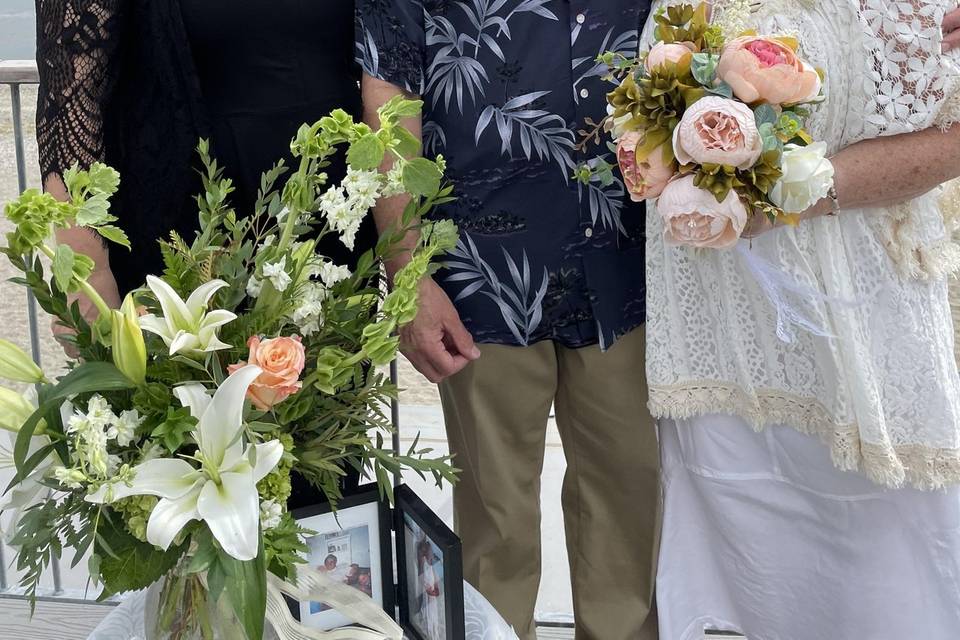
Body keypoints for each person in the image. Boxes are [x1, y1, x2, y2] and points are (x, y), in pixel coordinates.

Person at [641, 0, 960, 638]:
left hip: (865, 328)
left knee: (885, 566)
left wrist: (792, 194)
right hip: (720, 326)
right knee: (744, 555)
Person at [357, 2, 659, 638]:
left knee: (630, 498)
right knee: (494, 526)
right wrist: (409, 275)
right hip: (484, 273)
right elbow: (387, 107)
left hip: (631, 268)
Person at [34, 0, 373, 506]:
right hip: (184, 259)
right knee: (193, 498)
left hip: (323, 249)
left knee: (319, 497)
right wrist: (89, 288)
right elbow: (69, 108)